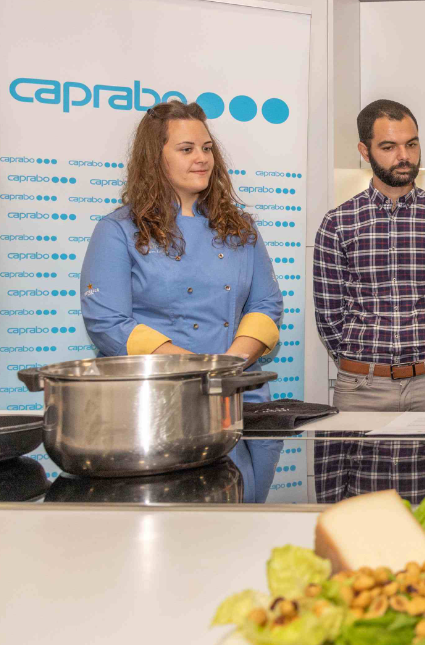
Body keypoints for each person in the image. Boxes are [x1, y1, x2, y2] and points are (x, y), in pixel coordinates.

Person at [80, 100, 284, 503]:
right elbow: (108, 323)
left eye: (207, 148)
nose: (202, 159)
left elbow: (266, 307)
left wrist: (228, 366)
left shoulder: (240, 229)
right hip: (159, 409)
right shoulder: (118, 230)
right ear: (155, 159)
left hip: (237, 404)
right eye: (186, 149)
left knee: (239, 528)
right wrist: (198, 370)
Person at [313, 100, 425, 505]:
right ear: (364, 151)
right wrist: (364, 366)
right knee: (355, 509)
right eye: (389, 147)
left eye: (412, 144)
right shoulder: (338, 223)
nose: (404, 156)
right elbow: (329, 316)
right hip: (361, 388)